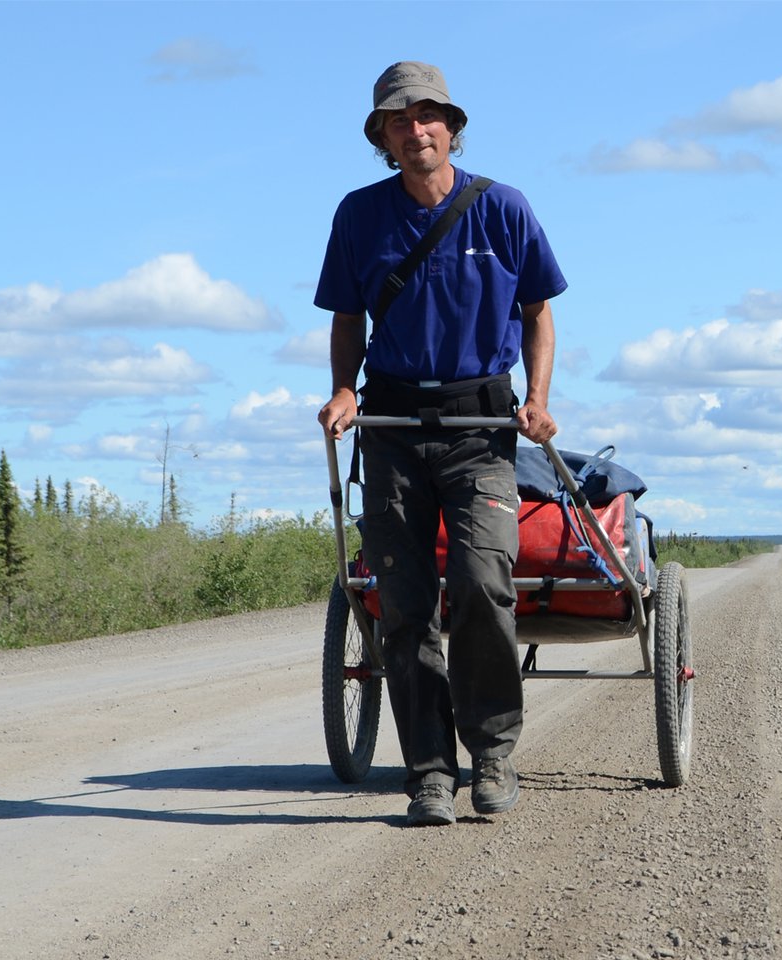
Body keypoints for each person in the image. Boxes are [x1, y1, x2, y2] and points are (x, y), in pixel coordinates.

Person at [314, 61, 567, 826]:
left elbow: (538, 314)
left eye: (429, 115)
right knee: (404, 605)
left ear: (451, 128)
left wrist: (538, 400)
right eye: (400, 119)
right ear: (384, 139)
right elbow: (348, 320)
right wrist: (346, 390)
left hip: (479, 428)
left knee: (485, 582)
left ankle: (492, 754)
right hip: (391, 427)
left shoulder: (503, 209)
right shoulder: (359, 216)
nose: (416, 129)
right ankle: (428, 771)